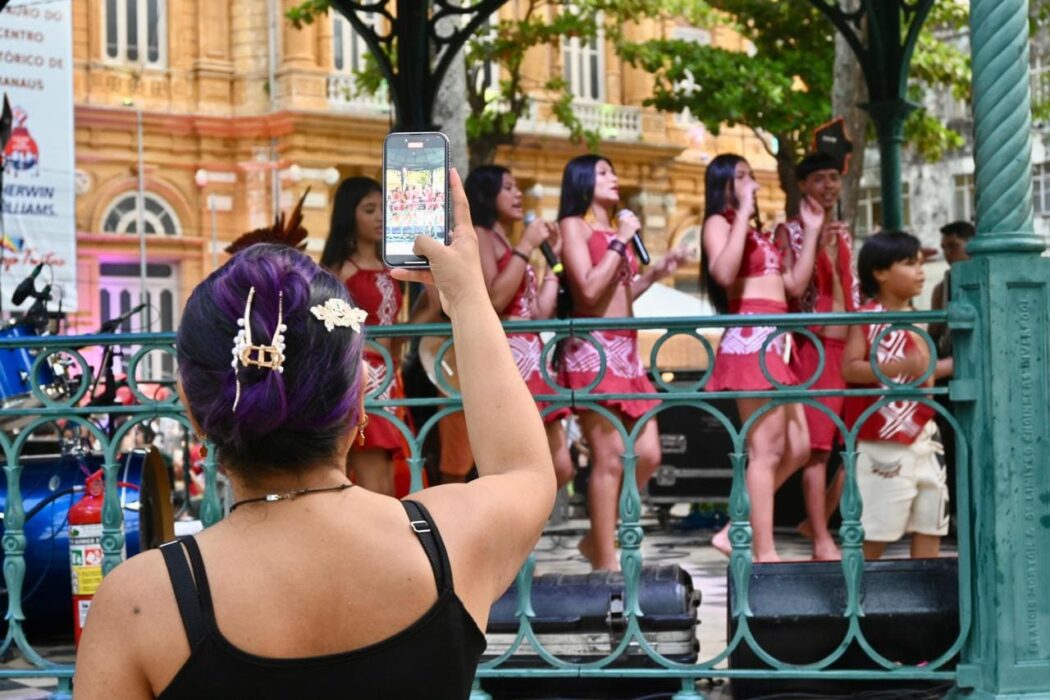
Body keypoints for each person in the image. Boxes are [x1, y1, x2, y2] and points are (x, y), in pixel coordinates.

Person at [74, 169, 556, 699]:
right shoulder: (452, 543)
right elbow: (525, 470)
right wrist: (466, 296)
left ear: (194, 411)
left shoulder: (142, 602)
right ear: (359, 398)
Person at [557, 154, 686, 571]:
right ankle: (606, 559)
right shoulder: (573, 226)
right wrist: (621, 240)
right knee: (609, 457)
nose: (614, 178)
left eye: (614, 170)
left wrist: (654, 274)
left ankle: (598, 538)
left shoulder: (616, 231)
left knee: (648, 454)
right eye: (603, 172)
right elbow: (590, 290)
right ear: (581, 181)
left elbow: (618, 293)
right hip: (594, 351)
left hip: (628, 354)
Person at [700, 153, 824, 562]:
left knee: (799, 446)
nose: (750, 181)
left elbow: (792, 284)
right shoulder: (719, 223)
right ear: (722, 183)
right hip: (751, 340)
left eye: (752, 175)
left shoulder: (759, 233)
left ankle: (736, 529)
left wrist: (811, 229)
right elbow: (722, 271)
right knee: (766, 449)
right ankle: (763, 551)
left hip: (777, 342)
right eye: (740, 176)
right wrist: (743, 213)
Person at [319, 176, 440, 495]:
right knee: (375, 479)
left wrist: (431, 274)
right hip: (363, 376)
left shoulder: (391, 266)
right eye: (369, 209)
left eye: (382, 209)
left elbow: (412, 323)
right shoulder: (338, 270)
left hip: (390, 377)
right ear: (349, 215)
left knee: (391, 476)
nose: (379, 217)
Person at [842, 231, 952, 559]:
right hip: (883, 438)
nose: (920, 271)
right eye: (909, 264)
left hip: (925, 435)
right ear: (880, 272)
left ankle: (924, 601)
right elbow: (849, 368)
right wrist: (899, 364)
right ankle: (856, 598)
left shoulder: (917, 318)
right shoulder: (868, 318)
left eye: (920, 264)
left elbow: (923, 372)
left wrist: (949, 365)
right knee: (878, 529)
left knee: (931, 522)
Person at [466, 165, 573, 488]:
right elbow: (495, 299)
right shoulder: (480, 236)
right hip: (508, 357)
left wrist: (555, 265)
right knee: (518, 467)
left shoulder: (510, 244)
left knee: (560, 466)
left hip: (534, 357)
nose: (518, 194)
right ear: (487, 194)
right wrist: (525, 246)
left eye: (518, 187)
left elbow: (538, 312)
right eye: (508, 188)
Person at [777, 152, 860, 561]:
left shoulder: (844, 232)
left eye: (834, 179)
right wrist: (816, 242)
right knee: (817, 447)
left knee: (858, 439)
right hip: (815, 346)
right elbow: (792, 289)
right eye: (820, 180)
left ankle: (819, 521)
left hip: (852, 346)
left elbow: (853, 291)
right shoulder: (788, 231)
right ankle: (820, 537)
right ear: (803, 185)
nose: (829, 186)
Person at [928, 220, 974, 357]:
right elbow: (934, 331)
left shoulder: (988, 278)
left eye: (954, 246)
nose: (947, 253)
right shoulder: (942, 288)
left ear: (972, 245)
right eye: (944, 248)